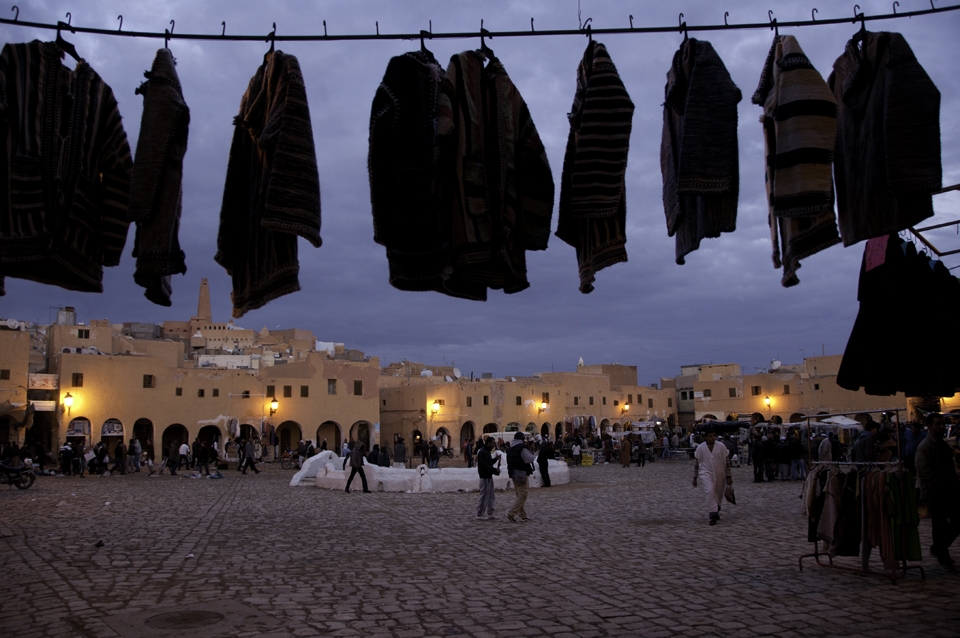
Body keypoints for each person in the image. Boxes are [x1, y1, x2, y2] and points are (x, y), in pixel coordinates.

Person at [915, 413, 960, 573]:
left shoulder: (942, 444)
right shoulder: (926, 446)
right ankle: (943, 555)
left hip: (949, 491)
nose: (941, 426)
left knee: (956, 521)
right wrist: (939, 486)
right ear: (930, 426)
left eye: (942, 424)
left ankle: (938, 547)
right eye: (938, 424)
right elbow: (924, 471)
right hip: (936, 493)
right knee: (939, 525)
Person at [693, 427, 732, 526]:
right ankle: (713, 514)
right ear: (705, 437)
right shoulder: (701, 448)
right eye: (710, 436)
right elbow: (697, 463)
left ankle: (716, 508)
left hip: (720, 473)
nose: (712, 438)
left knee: (718, 493)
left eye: (714, 436)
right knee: (709, 490)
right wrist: (695, 477)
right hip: (706, 472)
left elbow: (727, 462)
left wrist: (729, 476)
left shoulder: (721, 446)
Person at [506, 433, 536, 522]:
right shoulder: (522, 448)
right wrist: (532, 454)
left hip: (514, 473)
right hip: (521, 473)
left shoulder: (510, 449)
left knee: (519, 494)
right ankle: (511, 513)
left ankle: (522, 515)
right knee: (523, 494)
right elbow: (529, 459)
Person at [476, 437, 499, 519]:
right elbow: (484, 466)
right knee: (484, 496)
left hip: (489, 477)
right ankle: (479, 514)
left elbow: (488, 463)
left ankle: (490, 512)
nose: (494, 445)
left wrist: (495, 459)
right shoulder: (482, 452)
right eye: (492, 443)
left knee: (491, 496)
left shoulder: (487, 452)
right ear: (488, 443)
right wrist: (494, 470)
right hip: (484, 477)